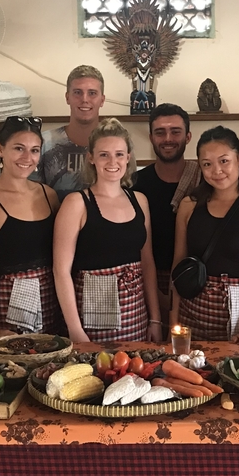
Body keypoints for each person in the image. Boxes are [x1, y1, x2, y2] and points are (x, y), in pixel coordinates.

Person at [53, 118, 161, 343]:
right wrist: (75, 330)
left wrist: (155, 319)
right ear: (91, 157)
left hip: (136, 315)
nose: (113, 161)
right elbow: (61, 272)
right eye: (104, 154)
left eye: (119, 154)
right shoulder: (77, 203)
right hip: (89, 319)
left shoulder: (139, 201)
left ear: (128, 157)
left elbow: (147, 262)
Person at [171, 126, 239, 347]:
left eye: (224, 161)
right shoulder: (189, 205)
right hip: (193, 311)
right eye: (207, 164)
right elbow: (178, 267)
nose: (216, 170)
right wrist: (173, 320)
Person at [0, 116, 61, 342]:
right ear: (0, 149)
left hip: (53, 300)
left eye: (35, 150)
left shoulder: (49, 195)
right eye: (19, 148)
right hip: (10, 305)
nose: (27, 158)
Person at [131, 103, 200, 314]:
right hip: (144, 282)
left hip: (195, 282)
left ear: (188, 137)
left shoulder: (205, 181)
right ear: (151, 137)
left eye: (175, 132)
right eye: (160, 132)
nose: (168, 138)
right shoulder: (134, 183)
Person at [35, 65, 105, 200]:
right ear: (67, 97)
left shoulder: (116, 143)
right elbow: (32, 194)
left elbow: (126, 190)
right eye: (77, 92)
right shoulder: (44, 143)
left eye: (92, 93)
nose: (85, 99)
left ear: (102, 100)